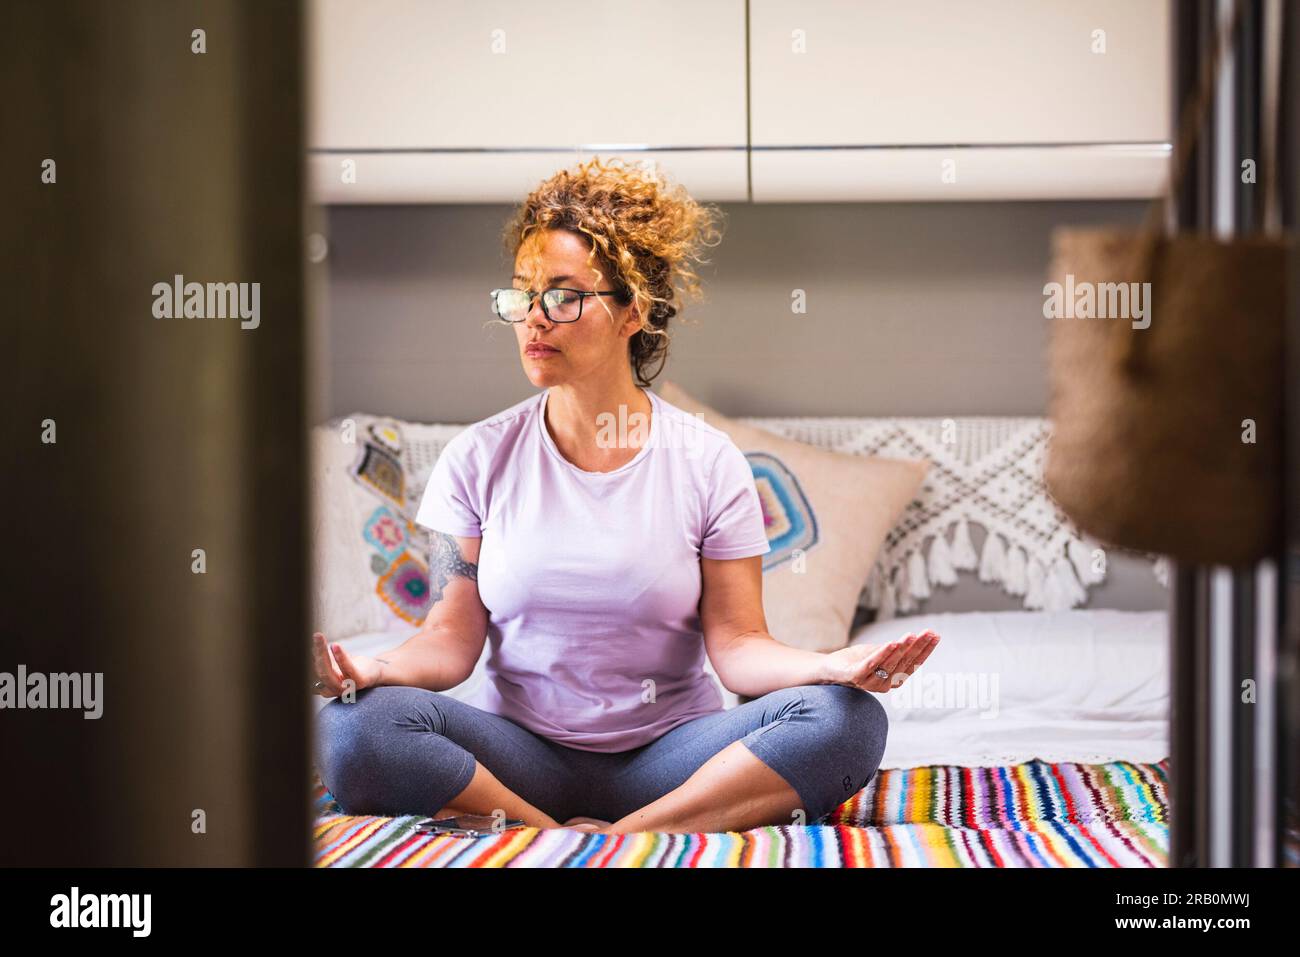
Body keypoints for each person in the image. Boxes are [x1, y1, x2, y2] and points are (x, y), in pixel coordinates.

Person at [313, 157, 940, 834]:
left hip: (672, 758)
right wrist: (374, 666)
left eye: (562, 295)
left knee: (846, 721)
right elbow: (448, 638)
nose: (533, 319)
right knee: (353, 728)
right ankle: (550, 834)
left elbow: (740, 645)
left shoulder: (708, 463)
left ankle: (622, 836)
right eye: (522, 294)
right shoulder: (476, 457)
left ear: (631, 309)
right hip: (521, 756)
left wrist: (829, 665)